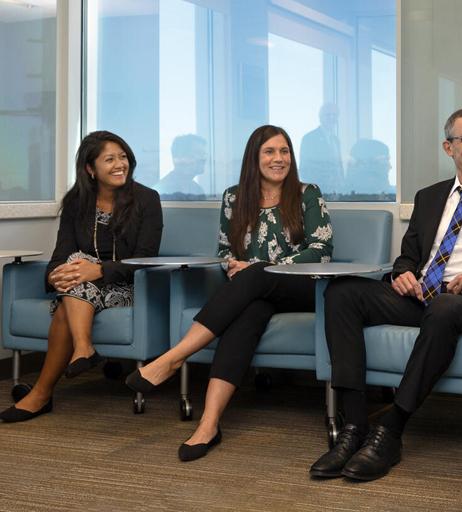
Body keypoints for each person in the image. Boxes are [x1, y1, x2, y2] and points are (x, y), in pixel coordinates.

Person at [307, 105, 462, 482]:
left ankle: (392, 429)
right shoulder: (430, 196)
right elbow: (409, 256)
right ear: (449, 148)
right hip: (420, 297)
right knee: (341, 293)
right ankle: (354, 428)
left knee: (447, 307)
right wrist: (402, 274)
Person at [124, 125, 333, 461]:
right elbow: (224, 250)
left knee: (256, 274)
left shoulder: (308, 193)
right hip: (254, 290)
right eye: (270, 152)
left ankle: (173, 358)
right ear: (254, 157)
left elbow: (322, 250)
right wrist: (233, 265)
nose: (279, 159)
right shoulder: (234, 197)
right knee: (247, 315)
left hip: (303, 286)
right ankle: (208, 424)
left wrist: (257, 266)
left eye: (284, 152)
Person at [1, 131, 163, 423]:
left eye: (123, 157)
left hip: (127, 287)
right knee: (73, 268)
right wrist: (55, 278)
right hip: (81, 290)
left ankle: (41, 394)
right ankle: (82, 348)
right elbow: (59, 256)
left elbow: (145, 258)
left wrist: (98, 270)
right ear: (91, 169)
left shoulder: (147, 199)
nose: (120, 164)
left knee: (75, 276)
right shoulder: (76, 202)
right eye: (109, 159)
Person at [300, 103, 344, 198]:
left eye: (334, 115)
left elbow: (338, 167)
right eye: (328, 115)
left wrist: (342, 186)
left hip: (336, 192)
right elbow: (305, 169)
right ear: (320, 117)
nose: (331, 117)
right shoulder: (309, 138)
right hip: (318, 192)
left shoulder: (336, 140)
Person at [154, 134, 208, 199]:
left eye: (204, 154)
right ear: (181, 157)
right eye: (199, 153)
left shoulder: (198, 190)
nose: (204, 159)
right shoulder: (162, 191)